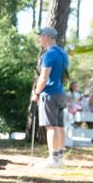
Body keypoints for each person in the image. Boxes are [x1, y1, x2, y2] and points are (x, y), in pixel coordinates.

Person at [30, 26, 70, 168]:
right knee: (59, 126)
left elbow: (44, 77)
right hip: (60, 93)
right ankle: (59, 158)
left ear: (46, 37)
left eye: (41, 36)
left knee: (50, 126)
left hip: (50, 94)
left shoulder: (48, 55)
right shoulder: (62, 53)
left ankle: (53, 159)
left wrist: (36, 93)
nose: (40, 39)